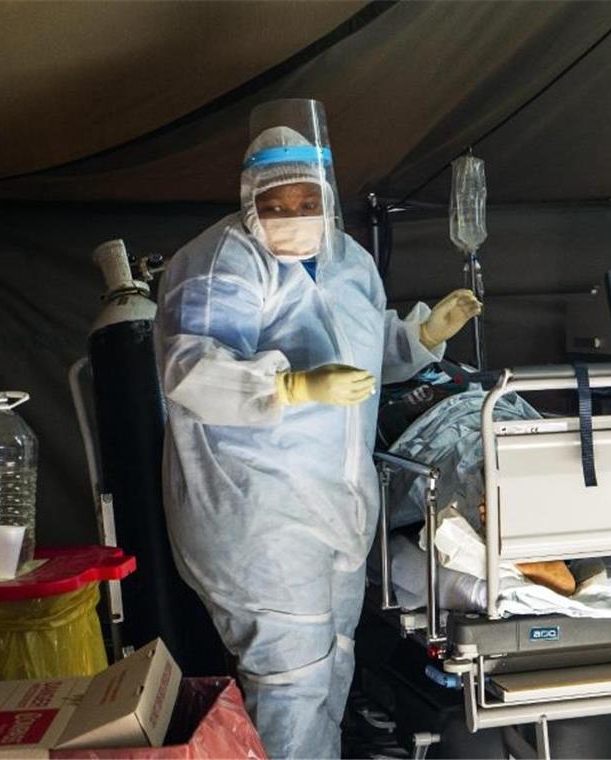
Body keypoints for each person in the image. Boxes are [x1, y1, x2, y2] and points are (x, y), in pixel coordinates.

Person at [154, 99, 480, 759]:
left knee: (330, 665)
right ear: (251, 200)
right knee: (291, 682)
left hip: (335, 505)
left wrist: (419, 335)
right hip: (256, 511)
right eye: (276, 203)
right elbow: (191, 370)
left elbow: (357, 354)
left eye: (308, 200)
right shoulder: (222, 263)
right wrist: (288, 386)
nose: (293, 214)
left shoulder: (347, 261)